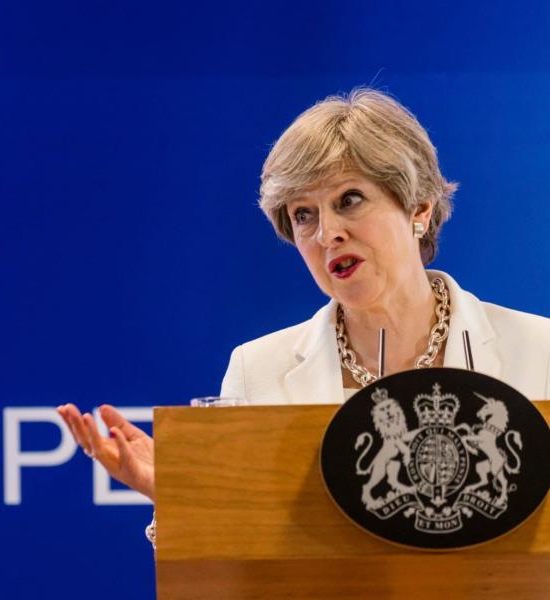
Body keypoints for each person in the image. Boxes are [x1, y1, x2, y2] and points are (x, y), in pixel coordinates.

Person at [56, 88, 550, 502]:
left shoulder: (540, 351)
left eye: (349, 200)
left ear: (418, 208)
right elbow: (239, 564)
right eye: (303, 215)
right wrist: (186, 503)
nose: (326, 233)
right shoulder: (258, 372)